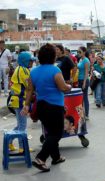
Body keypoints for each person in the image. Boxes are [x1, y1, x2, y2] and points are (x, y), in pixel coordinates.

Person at [21, 43, 72, 172]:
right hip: (54, 106)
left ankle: (56, 157)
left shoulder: (34, 71)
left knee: (51, 132)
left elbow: (29, 90)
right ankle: (41, 158)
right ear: (53, 56)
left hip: (41, 106)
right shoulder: (55, 70)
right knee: (57, 133)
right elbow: (62, 87)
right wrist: (69, 86)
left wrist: (26, 105)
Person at [8, 52, 35, 153]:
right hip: (20, 101)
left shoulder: (20, 69)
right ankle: (22, 147)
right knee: (22, 126)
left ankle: (9, 142)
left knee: (20, 124)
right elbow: (29, 86)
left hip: (17, 100)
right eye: (31, 61)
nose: (32, 63)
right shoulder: (23, 70)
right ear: (25, 61)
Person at [77, 46, 90, 119]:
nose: (78, 53)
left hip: (84, 80)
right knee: (79, 98)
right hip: (79, 80)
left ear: (84, 52)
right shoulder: (80, 60)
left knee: (84, 98)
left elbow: (86, 73)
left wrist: (84, 83)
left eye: (80, 52)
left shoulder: (86, 60)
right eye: (78, 52)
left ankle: (87, 115)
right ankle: (80, 114)